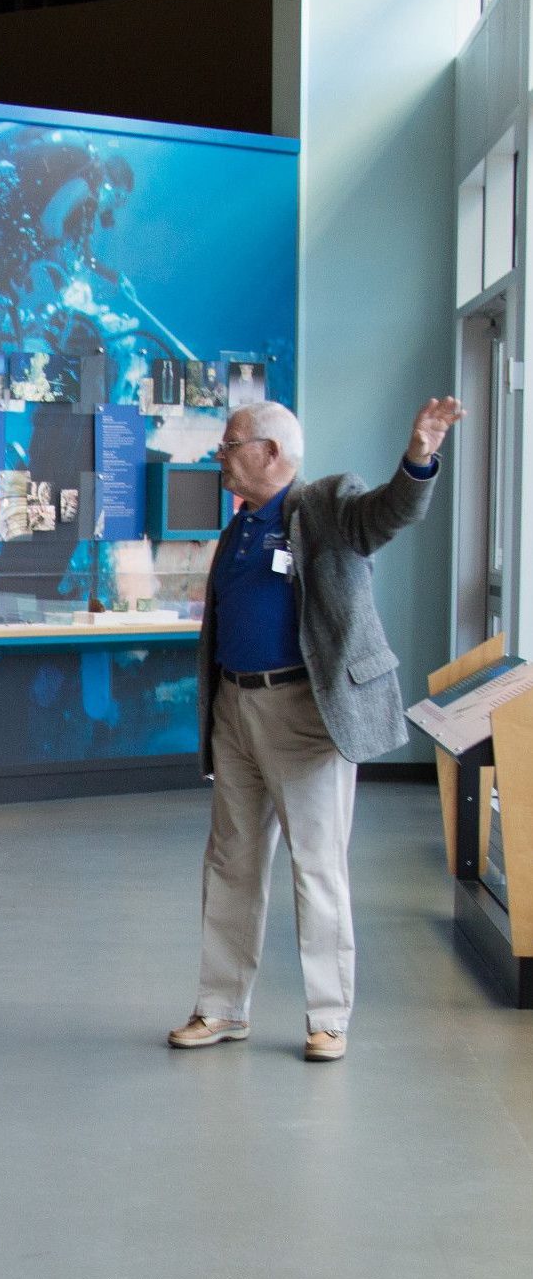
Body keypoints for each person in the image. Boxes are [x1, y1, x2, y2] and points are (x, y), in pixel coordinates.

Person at [169, 396, 465, 1063]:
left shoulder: (326, 505)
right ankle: (220, 1007)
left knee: (317, 865)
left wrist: (419, 457)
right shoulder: (240, 528)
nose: (220, 456)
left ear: (271, 452)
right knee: (230, 861)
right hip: (235, 710)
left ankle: (328, 1015)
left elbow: (387, 514)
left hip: (305, 714)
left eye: (229, 445)